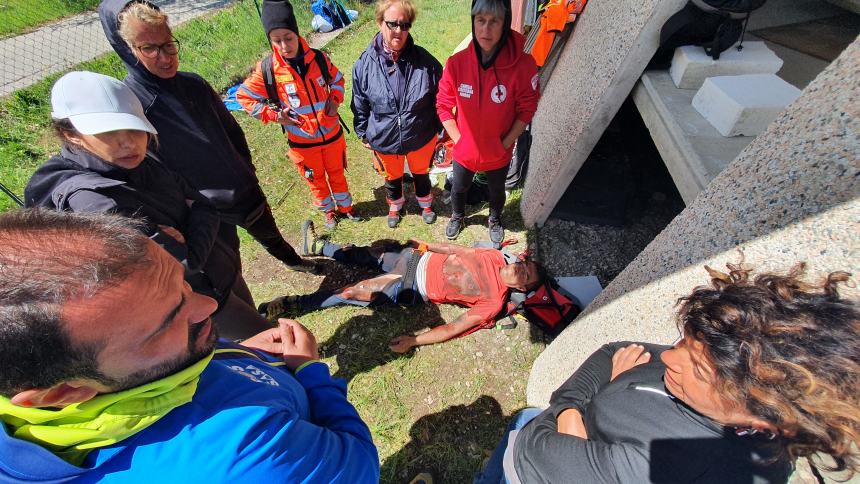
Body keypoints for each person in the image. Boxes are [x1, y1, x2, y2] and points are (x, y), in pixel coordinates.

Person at [0, 208, 379, 482]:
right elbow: (359, 463)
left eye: (183, 286)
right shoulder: (241, 457)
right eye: (168, 323)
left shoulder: (115, 371)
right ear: (63, 392)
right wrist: (312, 374)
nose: (209, 308)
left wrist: (240, 351)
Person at [475, 264, 860, 483]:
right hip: (540, 423)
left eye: (695, 365)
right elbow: (611, 351)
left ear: (765, 410)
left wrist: (574, 405)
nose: (670, 359)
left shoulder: (689, 465)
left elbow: (536, 450)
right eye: (684, 342)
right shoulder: (713, 375)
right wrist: (573, 415)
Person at [24, 71, 271, 340]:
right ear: (70, 134)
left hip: (220, 276)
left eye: (134, 128)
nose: (128, 142)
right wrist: (194, 219)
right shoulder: (93, 200)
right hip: (198, 305)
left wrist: (188, 228)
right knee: (278, 356)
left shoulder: (130, 159)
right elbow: (184, 261)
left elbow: (204, 204)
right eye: (108, 132)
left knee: (260, 331)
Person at [98, 0, 317, 273]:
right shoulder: (133, 107)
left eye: (168, 45)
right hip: (204, 210)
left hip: (243, 188)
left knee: (268, 232)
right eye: (149, 49)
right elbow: (149, 169)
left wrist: (245, 168)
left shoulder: (195, 84)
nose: (165, 58)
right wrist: (192, 205)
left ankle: (294, 262)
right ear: (128, 50)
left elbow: (232, 132)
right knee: (226, 264)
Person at [259, 220, 546, 352]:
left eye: (526, 275)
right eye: (524, 264)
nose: (521, 269)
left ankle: (294, 303)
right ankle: (321, 246)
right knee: (368, 253)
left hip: (410, 284)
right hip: (415, 257)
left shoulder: (493, 300)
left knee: (351, 291)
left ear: (523, 289)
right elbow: (454, 249)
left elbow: (453, 328)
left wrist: (414, 340)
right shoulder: (494, 255)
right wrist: (425, 245)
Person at [237, 0, 358, 230]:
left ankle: (346, 208)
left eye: (288, 38)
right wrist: (274, 116)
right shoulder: (268, 70)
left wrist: (334, 100)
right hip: (302, 145)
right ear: (270, 40)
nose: (284, 45)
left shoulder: (319, 59)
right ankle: (328, 212)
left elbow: (339, 80)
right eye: (277, 40)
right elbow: (244, 97)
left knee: (336, 173)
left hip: (332, 136)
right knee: (316, 181)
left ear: (297, 33)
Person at [436, 0, 540, 244]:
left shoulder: (523, 65)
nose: (485, 29)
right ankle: (458, 216)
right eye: (480, 20)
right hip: (465, 152)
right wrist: (459, 141)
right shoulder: (457, 64)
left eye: (494, 22)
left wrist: (505, 143)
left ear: (504, 25)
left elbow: (527, 109)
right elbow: (443, 105)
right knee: (458, 188)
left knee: (496, 191)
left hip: (498, 152)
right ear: (473, 22)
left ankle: (494, 219)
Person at [351, 0, 443, 228]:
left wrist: (442, 127)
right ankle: (396, 203)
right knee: (391, 175)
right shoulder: (364, 64)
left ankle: (425, 202)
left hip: (420, 133)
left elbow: (441, 98)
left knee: (421, 171)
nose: (399, 31)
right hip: (384, 136)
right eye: (393, 24)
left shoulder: (426, 62)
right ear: (380, 22)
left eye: (405, 25)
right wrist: (362, 131)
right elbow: (359, 101)